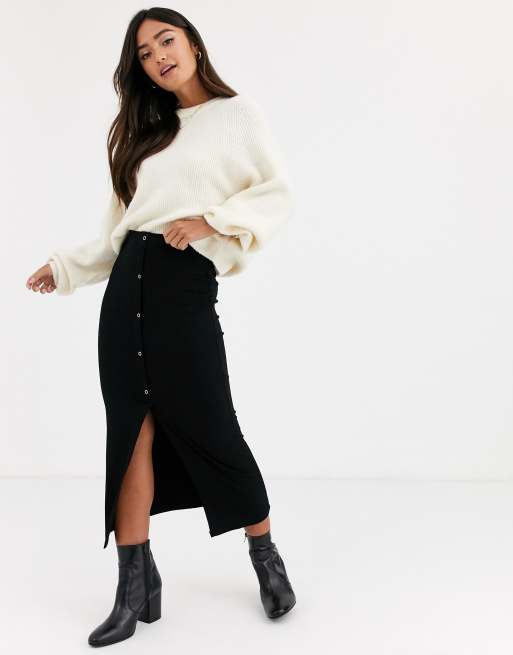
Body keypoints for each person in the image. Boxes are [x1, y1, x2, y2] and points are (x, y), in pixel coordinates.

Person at [26, 7, 296, 646]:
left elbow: (276, 194)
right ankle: (134, 586)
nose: (158, 58)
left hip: (184, 289)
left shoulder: (237, 116)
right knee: (131, 435)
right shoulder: (145, 133)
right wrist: (64, 268)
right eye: (144, 54)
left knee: (213, 425)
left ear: (192, 43)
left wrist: (213, 222)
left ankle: (265, 555)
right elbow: (118, 234)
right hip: (127, 294)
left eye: (165, 41)